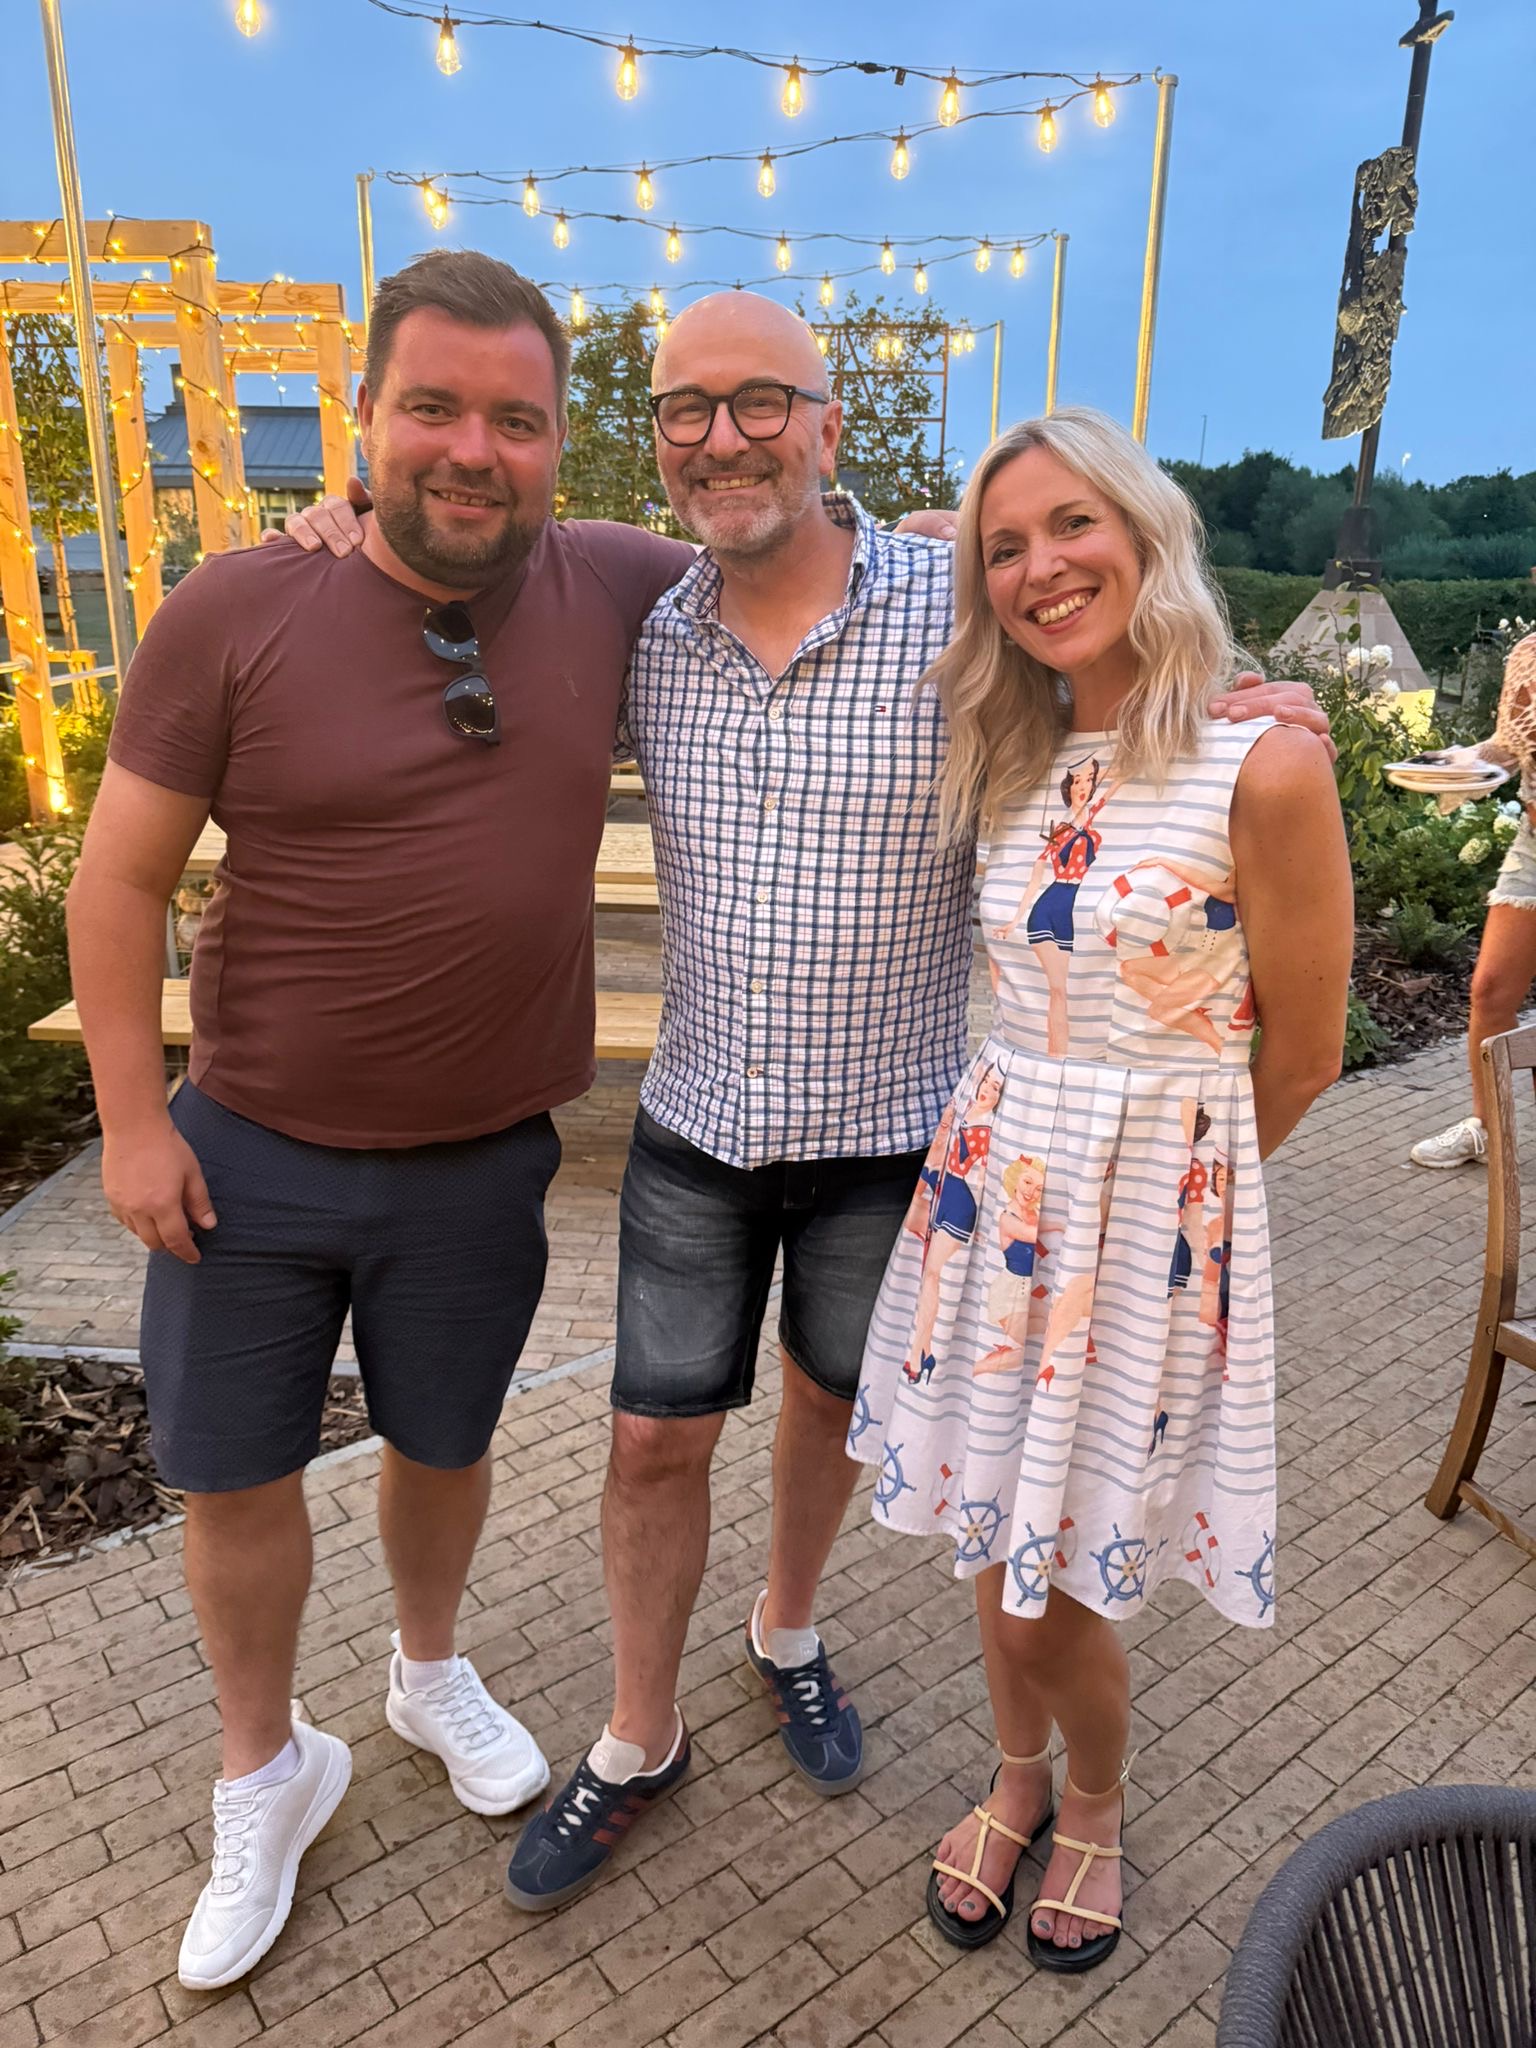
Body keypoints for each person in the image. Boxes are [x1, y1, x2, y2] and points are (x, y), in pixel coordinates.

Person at [284, 294, 1332, 1917]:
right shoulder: (640, 605)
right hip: (701, 1116)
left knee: (837, 1416)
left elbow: (1120, 672)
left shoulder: (954, 598)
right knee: (648, 1438)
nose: (726, 433)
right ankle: (638, 1734)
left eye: (764, 400)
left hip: (904, 1140)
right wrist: (350, 505)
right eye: (689, 408)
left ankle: (789, 1630)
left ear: (828, 424)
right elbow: (463, 553)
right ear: (656, 441)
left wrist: (1248, 684)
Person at [65, 250, 695, 1989]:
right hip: (247, 1143)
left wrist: (1209, 683)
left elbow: (829, 560)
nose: (471, 449)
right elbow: (115, 885)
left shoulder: (612, 584)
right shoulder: (235, 608)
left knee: (445, 1442)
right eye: (432, 406)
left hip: (483, 1153)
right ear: (362, 422)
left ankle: (426, 1670)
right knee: (234, 1473)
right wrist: (132, 1120)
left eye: (516, 417)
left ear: (564, 445)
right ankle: (266, 1768)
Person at [850, 408, 1352, 1968]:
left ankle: (1101, 1804)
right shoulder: (1011, 752)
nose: (1041, 566)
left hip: (1143, 1227)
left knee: (1049, 1587)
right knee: (999, 1543)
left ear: (1149, 534)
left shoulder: (1263, 765)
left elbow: (1312, 1048)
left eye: (1077, 527)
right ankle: (1014, 1777)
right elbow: (903, 547)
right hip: (993, 1204)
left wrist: (1172, 1219)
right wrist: (959, 527)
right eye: (1006, 546)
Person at [1412, 632, 1536, 1167]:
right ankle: (1489, 1130)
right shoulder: (1530, 654)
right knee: (1489, 991)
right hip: (1534, 844)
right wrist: (1461, 762)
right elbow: (1509, 748)